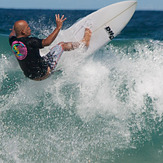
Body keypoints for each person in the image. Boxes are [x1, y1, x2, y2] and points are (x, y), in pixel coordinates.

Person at [9, 14, 92, 81]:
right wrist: (58, 27)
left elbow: (11, 35)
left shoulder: (12, 42)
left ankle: (53, 71)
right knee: (61, 45)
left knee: (41, 57)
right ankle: (83, 43)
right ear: (23, 31)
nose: (29, 28)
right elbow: (47, 42)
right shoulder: (31, 42)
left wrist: (14, 30)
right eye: (27, 27)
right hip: (44, 73)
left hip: (31, 76)